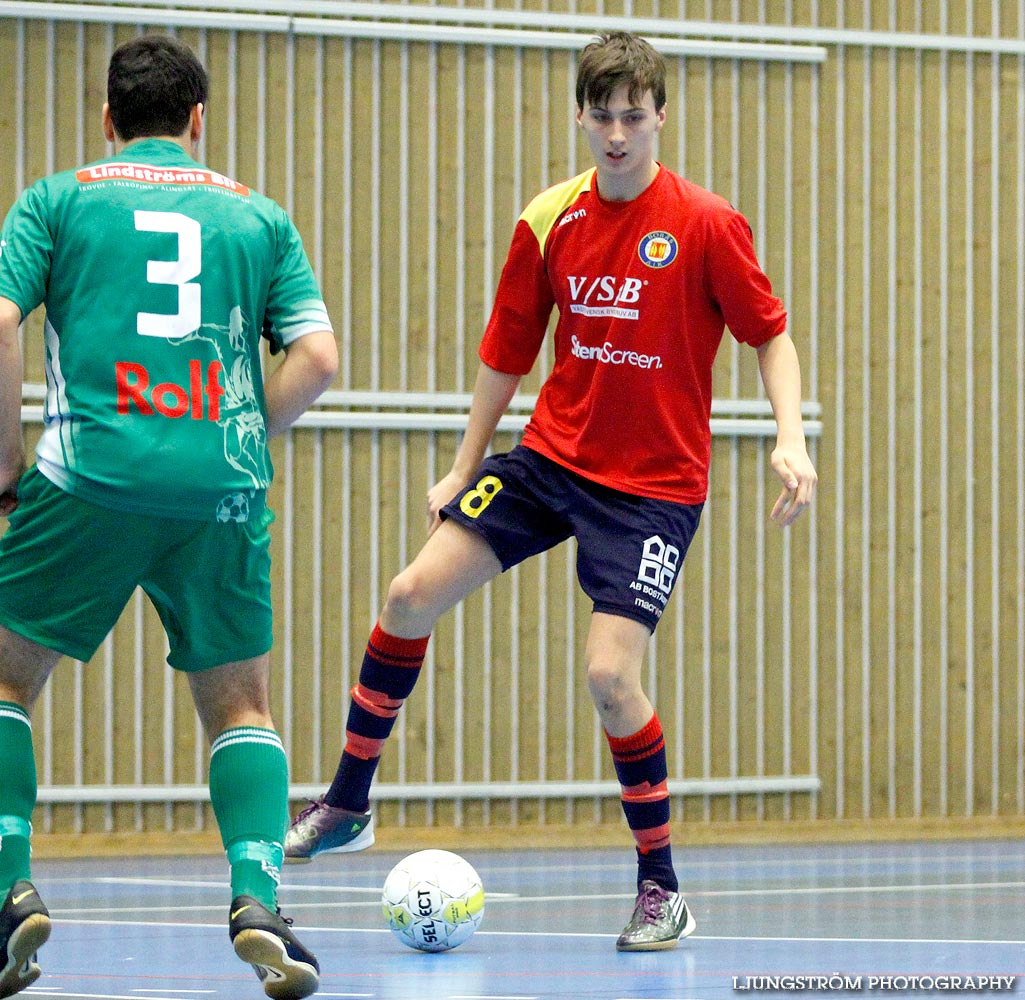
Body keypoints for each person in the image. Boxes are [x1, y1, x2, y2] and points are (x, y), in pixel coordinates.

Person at [285, 30, 817, 951]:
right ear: (580, 116)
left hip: (651, 490)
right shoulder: (549, 219)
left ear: (660, 118)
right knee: (408, 595)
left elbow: (768, 334)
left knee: (611, 678)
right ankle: (349, 801)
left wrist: (787, 437)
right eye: (601, 116)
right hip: (550, 461)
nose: (616, 135)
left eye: (633, 118)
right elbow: (507, 352)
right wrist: (463, 463)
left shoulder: (704, 222)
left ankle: (661, 889)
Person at [0, 35, 338, 1000]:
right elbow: (317, 359)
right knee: (241, 705)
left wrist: (5, 464)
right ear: (199, 121)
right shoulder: (259, 217)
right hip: (219, 488)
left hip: (87, 476)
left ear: (109, 119)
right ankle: (259, 901)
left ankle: (9, 890)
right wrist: (239, 435)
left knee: (7, 683)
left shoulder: (58, 199)